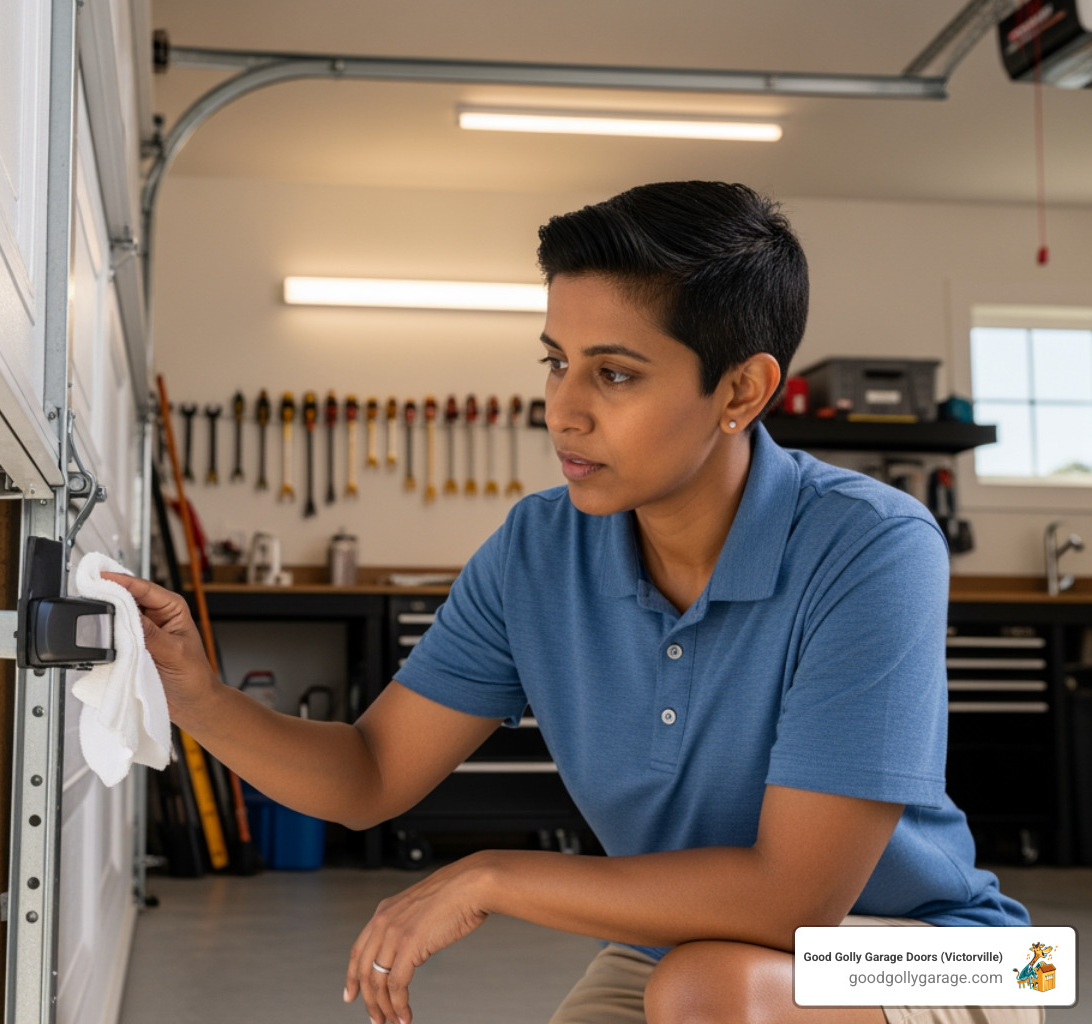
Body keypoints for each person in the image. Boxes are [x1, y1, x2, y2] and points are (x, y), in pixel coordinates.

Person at [112, 181, 1035, 1024]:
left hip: (953, 959)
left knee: (707, 991)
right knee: (697, 982)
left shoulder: (871, 544)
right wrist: (197, 696)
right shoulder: (537, 550)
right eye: (557, 361)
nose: (563, 409)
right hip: (684, 957)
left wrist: (487, 877)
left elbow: (794, 901)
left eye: (616, 373)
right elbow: (367, 775)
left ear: (742, 390)